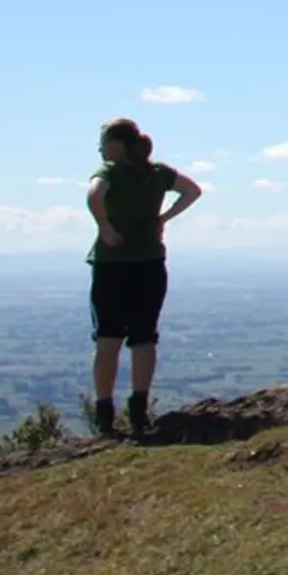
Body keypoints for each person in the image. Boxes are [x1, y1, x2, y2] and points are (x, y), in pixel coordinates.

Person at [85, 117, 204, 438]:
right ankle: (138, 412)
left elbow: (94, 195)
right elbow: (193, 191)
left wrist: (105, 228)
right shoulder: (157, 173)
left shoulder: (110, 172)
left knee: (108, 339)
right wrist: (163, 218)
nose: (99, 148)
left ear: (116, 143)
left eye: (103, 141)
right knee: (144, 337)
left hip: (111, 265)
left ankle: (104, 415)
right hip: (150, 263)